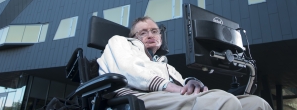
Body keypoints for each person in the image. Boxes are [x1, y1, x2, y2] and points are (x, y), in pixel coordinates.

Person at [97, 16, 272, 110]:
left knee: (256, 103)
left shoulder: (164, 64)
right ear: (133, 37)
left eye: (154, 31)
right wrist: (177, 89)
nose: (150, 35)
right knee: (222, 101)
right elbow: (129, 71)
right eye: (142, 33)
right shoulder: (120, 42)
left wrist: (189, 82)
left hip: (168, 96)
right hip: (136, 97)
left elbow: (180, 84)